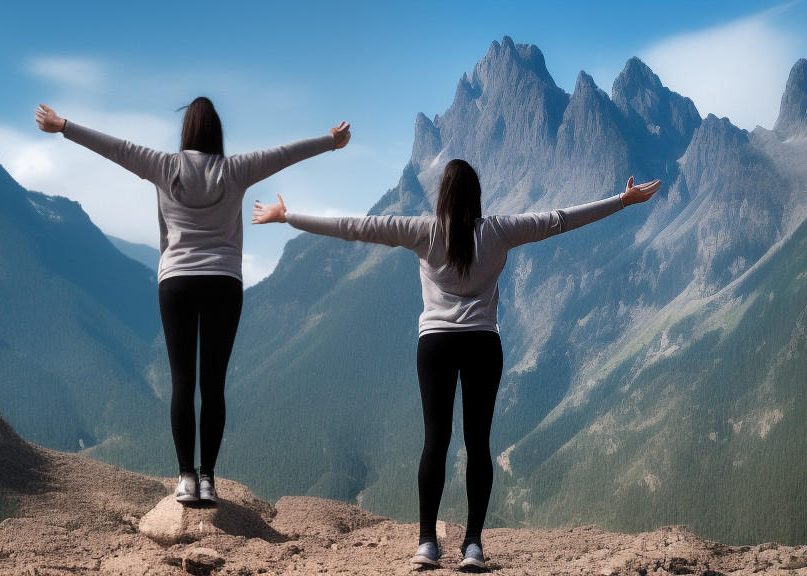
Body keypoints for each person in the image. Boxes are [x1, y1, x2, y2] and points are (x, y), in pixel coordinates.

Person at [252, 158, 660, 569]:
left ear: (442, 196)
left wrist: (288, 217)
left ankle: (427, 543)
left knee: (436, 441)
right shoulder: (499, 231)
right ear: (476, 195)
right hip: (483, 344)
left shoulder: (423, 232)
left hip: (435, 346)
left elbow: (356, 226)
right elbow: (561, 220)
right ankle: (473, 546)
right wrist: (621, 201)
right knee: (478, 444)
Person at [35, 98, 351, 504]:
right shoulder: (235, 169)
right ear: (216, 133)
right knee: (213, 385)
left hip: (177, 283)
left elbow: (114, 148)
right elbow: (284, 154)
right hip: (223, 283)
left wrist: (64, 125)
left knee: (182, 383)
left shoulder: (163, 165)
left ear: (185, 132)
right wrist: (330, 141)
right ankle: (208, 479)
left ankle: (185, 477)